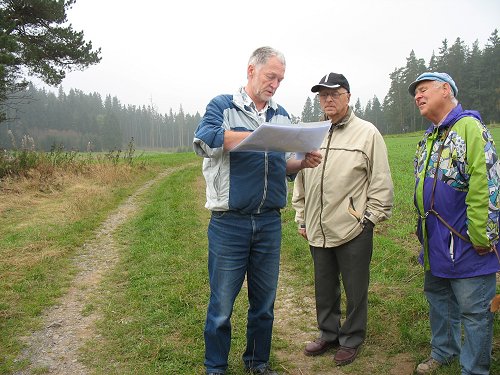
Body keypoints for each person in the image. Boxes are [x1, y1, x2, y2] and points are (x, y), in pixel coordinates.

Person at [193, 46, 322, 375]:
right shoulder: (223, 106)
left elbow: (279, 166)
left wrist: (300, 163)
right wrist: (256, 136)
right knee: (222, 305)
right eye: (270, 76)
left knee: (264, 305)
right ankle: (215, 367)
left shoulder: (280, 115)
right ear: (251, 71)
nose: (275, 84)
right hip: (229, 223)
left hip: (268, 223)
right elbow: (205, 140)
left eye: (280, 79)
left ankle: (257, 364)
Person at [292, 73, 394, 366]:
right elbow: (300, 178)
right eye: (323, 95)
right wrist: (302, 217)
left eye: (334, 93)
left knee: (355, 286)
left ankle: (351, 337)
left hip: (353, 227)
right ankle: (328, 333)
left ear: (348, 96)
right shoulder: (312, 134)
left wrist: (370, 219)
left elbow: (381, 180)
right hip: (317, 226)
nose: (328, 99)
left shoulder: (367, 133)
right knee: (324, 285)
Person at [408, 72, 500, 375]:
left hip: (467, 241)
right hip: (436, 242)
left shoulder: (469, 128)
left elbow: (487, 182)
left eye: (423, 90)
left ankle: (473, 369)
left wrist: (483, 235)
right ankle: (444, 351)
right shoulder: (431, 135)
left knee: (475, 311)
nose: (418, 96)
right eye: (415, 93)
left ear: (446, 90)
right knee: (439, 299)